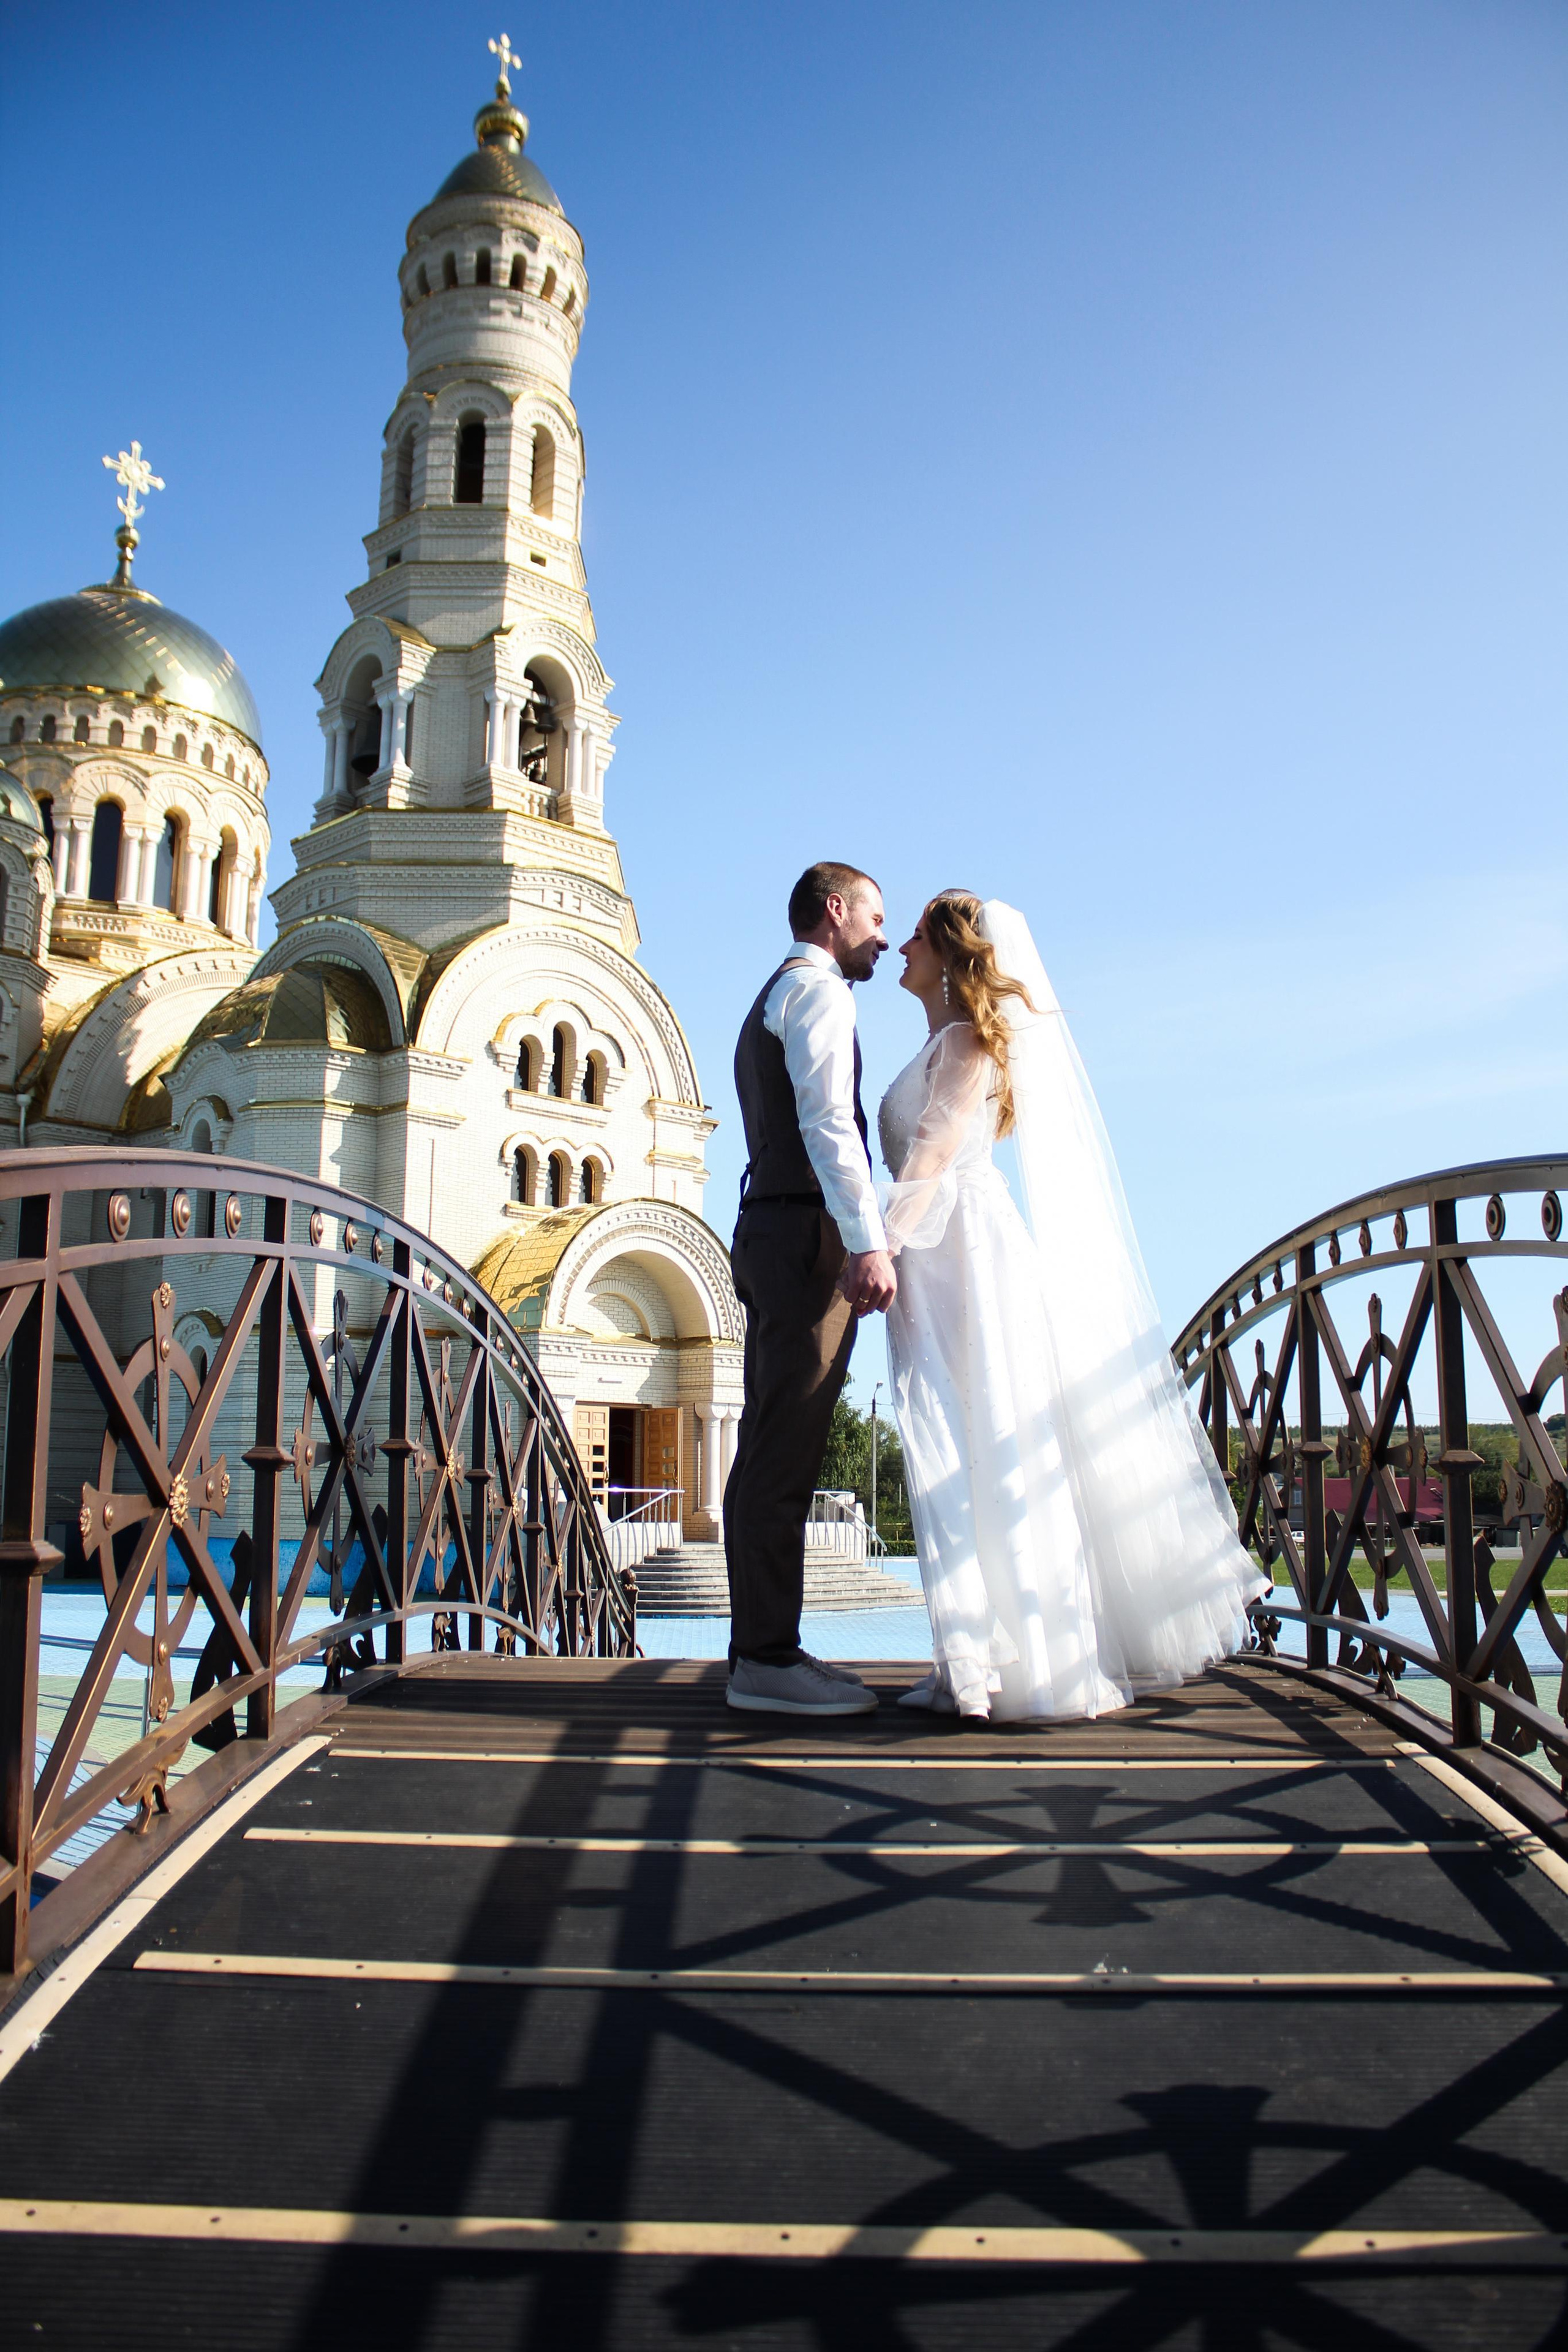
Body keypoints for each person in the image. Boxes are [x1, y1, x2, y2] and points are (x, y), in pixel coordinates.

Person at [879, 891, 1265, 1722]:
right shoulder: (936, 1046)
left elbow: (937, 1157)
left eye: (916, 935)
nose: (900, 948)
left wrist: (870, 1248)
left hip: (965, 1256)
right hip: (936, 1254)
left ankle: (1023, 1663)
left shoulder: (969, 1044)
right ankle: (970, 1656)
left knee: (978, 1437)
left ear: (950, 954)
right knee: (951, 1443)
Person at [723, 862, 897, 1716]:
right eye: (873, 914)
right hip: (803, 1237)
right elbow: (832, 1124)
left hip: (770, 1222)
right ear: (835, 912)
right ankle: (764, 1659)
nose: (884, 933)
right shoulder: (822, 994)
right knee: (784, 1448)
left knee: (767, 1442)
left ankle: (766, 1646)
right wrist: (866, 1244)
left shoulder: (774, 993)